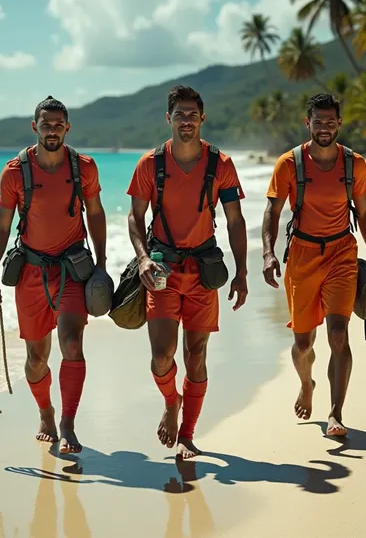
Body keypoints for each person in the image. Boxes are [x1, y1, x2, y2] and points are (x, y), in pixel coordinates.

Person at [127, 85, 248, 459]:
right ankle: (170, 401)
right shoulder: (150, 164)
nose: (186, 121)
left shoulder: (221, 165)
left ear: (202, 119)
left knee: (196, 355)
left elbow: (234, 220)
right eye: (179, 114)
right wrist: (144, 258)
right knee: (161, 356)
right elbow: (135, 217)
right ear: (169, 118)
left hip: (202, 269)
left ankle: (188, 435)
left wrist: (242, 272)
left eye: (192, 115)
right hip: (161, 269)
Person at [0, 96, 107, 454]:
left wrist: (101, 263)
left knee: (71, 344)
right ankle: (46, 412)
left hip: (72, 270)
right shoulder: (14, 172)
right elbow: (1, 226)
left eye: (58, 124)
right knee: (37, 358)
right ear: (34, 126)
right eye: (45, 124)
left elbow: (95, 214)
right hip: (31, 274)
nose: (52, 130)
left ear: (68, 128)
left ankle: (68, 422)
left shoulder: (84, 167)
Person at [262, 93, 366, 437]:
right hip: (301, 256)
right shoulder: (289, 164)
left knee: (339, 335)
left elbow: (365, 212)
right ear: (308, 123)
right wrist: (268, 253)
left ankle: (336, 413)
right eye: (318, 122)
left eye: (331, 122)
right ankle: (306, 384)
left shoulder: (354, 164)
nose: (325, 128)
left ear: (339, 123)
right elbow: (272, 211)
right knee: (303, 344)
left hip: (342, 254)